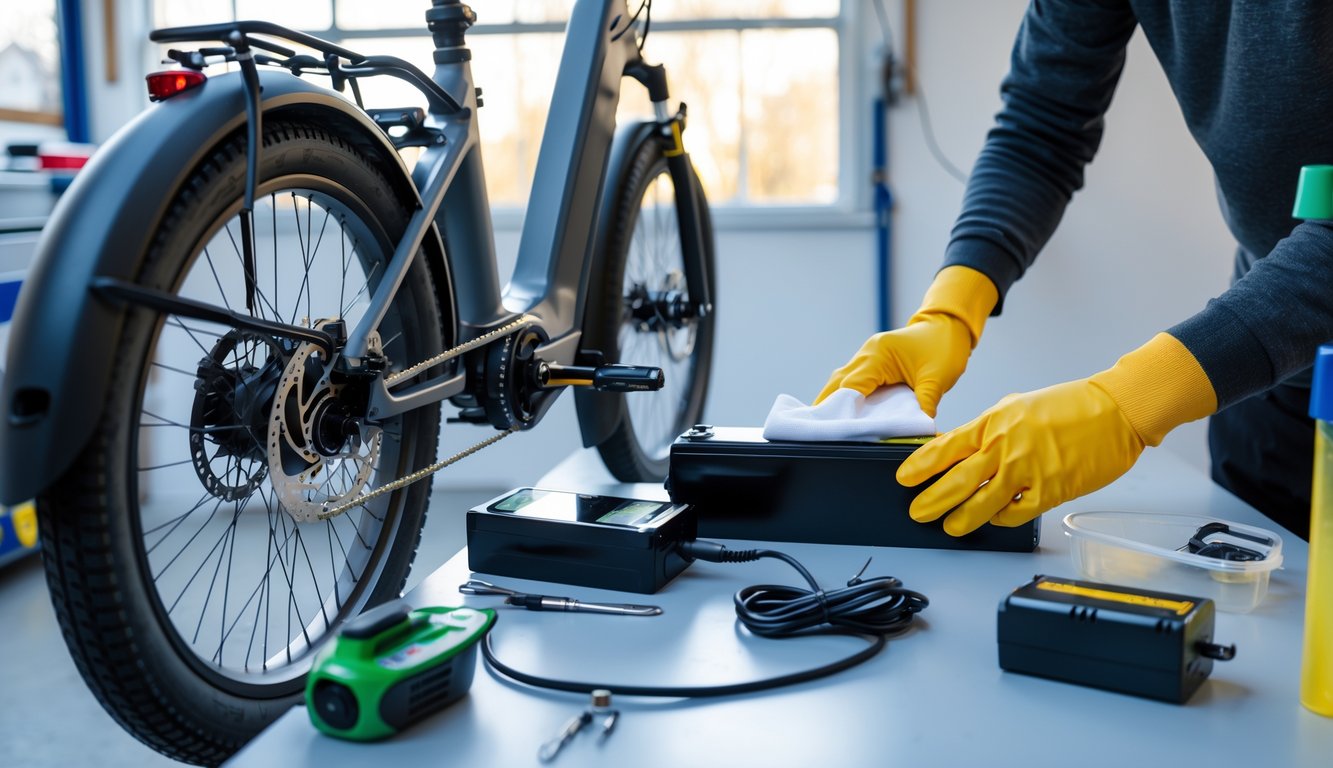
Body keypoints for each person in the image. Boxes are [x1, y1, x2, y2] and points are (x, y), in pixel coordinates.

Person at [819, 1, 1333, 540]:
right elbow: (1040, 129)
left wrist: (1130, 399)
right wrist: (948, 311)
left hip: (1265, 334)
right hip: (1268, 375)